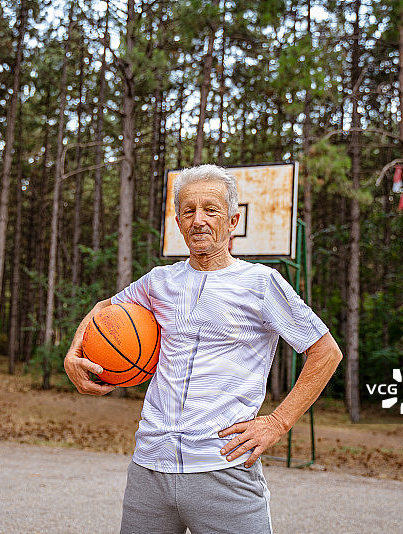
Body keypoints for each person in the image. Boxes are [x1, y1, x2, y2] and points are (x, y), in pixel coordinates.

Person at [64, 164, 343, 533]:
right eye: (188, 211)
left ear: (233, 221)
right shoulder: (159, 281)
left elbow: (326, 352)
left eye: (211, 210)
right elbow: (104, 308)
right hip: (150, 467)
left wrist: (277, 423)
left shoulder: (261, 283)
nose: (199, 220)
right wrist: (73, 354)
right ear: (178, 223)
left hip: (224, 467)